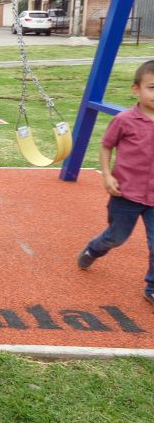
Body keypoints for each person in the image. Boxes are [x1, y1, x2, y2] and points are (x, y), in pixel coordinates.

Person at [77, 60, 154, 307]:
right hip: (125, 194)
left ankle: (152, 287)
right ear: (136, 90)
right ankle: (94, 249)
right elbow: (106, 145)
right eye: (152, 87)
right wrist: (107, 175)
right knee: (116, 237)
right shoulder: (125, 120)